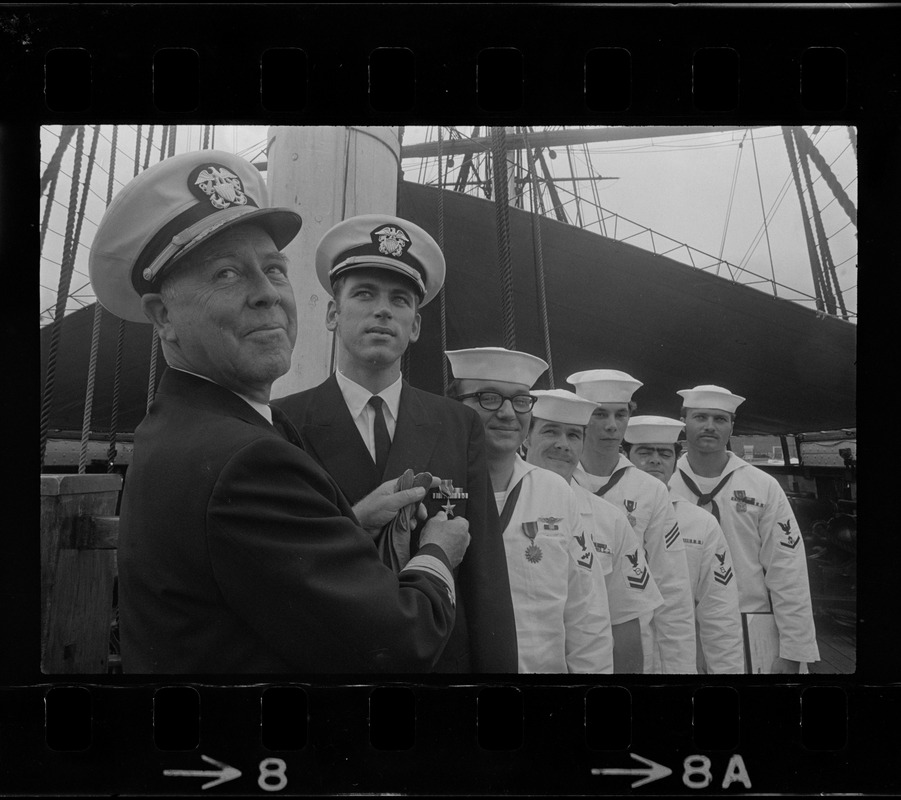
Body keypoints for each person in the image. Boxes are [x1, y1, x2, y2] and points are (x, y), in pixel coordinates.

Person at [88, 150, 471, 673]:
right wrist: (437, 553)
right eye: (227, 274)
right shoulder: (244, 459)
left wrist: (350, 524)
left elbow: (252, 569)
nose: (267, 294)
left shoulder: (182, 428)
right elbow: (401, 640)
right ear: (163, 315)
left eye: (274, 270)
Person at [273, 214, 517, 672]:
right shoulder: (284, 420)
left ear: (416, 325)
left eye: (399, 300)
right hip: (329, 661)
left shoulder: (458, 423)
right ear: (332, 313)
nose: (383, 310)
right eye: (364, 294)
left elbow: (486, 578)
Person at [445, 347, 613, 674]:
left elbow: (587, 616)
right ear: (455, 406)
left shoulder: (554, 493)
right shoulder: (433, 490)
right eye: (489, 397)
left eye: (521, 400)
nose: (508, 413)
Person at [668, 385, 819, 673]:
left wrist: (794, 649)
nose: (710, 426)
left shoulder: (762, 486)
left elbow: (788, 570)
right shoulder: (663, 485)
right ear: (684, 423)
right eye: (700, 417)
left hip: (749, 623)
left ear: (732, 427)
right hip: (679, 627)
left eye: (720, 419)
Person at [524, 390, 664, 673]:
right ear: (526, 436)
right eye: (551, 431)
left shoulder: (610, 521)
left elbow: (625, 623)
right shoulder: (497, 505)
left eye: (574, 435)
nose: (563, 445)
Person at [567, 369, 696, 674]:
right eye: (600, 414)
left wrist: (680, 671)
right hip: (564, 640)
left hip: (630, 648)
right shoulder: (556, 479)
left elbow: (672, 585)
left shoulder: (650, 491)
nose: (611, 426)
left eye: (620, 414)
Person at [625, 415, 744, 674]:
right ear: (626, 457)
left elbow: (720, 613)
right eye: (644, 452)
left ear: (675, 461)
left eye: (665, 453)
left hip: (675, 661)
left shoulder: (700, 523)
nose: (655, 459)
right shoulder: (607, 517)